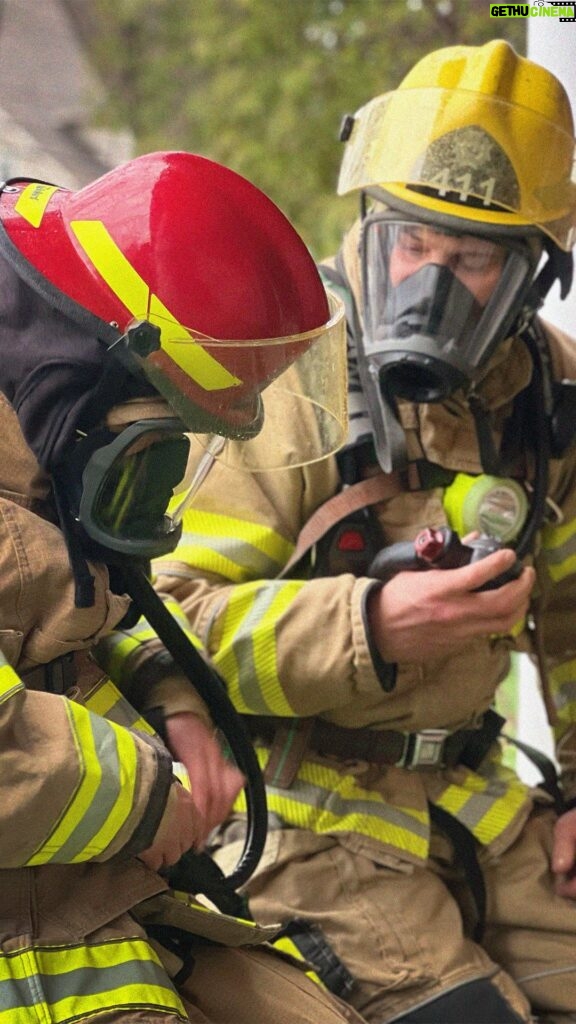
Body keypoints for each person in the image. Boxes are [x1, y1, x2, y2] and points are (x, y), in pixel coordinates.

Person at [142, 42, 576, 1024]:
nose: (427, 282)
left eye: (468, 260)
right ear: (368, 228)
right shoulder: (276, 378)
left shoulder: (551, 395)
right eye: (409, 245)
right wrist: (370, 625)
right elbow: (168, 629)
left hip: (473, 805)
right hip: (308, 821)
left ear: (532, 276)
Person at [0, 149, 366, 1024]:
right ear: (89, 380)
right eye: (166, 443)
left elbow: (74, 609)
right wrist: (139, 797)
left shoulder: (41, 462)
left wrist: (172, 694)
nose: (169, 484)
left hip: (92, 908)